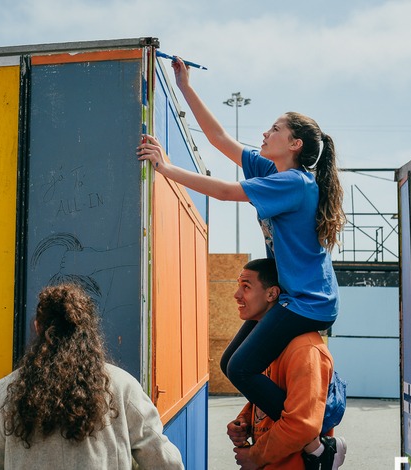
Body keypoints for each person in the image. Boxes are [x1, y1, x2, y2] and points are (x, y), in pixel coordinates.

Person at [136, 56, 345, 441]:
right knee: (231, 361)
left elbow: (227, 192)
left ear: (294, 143)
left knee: (241, 368)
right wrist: (186, 87)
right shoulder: (273, 171)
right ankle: (296, 423)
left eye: (275, 129)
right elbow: (219, 141)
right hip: (295, 296)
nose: (265, 133)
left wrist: (166, 168)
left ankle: (306, 432)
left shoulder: (296, 183)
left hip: (308, 301)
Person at [0, 283, 184, 469]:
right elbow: (166, 463)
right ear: (88, 330)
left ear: (38, 327)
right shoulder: (122, 389)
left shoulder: (1, 395)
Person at [224, 258, 345, 469]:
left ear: (272, 294)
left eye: (246, 287)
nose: (237, 295)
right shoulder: (267, 345)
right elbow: (269, 395)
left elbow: (302, 425)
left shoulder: (305, 349)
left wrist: (254, 457)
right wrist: (244, 420)